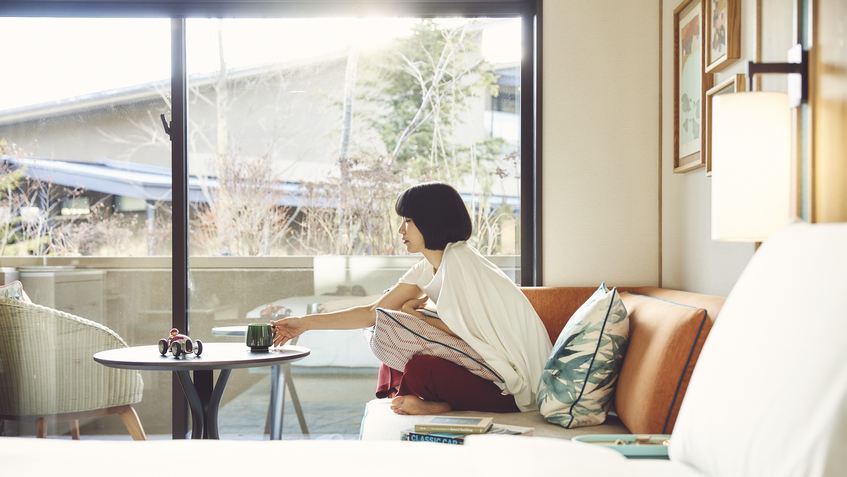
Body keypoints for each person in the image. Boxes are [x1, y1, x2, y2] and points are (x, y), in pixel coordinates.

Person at [271, 182, 551, 415]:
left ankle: (438, 405)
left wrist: (416, 317)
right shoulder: (426, 266)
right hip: (486, 373)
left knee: (420, 362)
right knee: (389, 329)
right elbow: (372, 312)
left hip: (514, 390)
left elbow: (468, 332)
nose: (401, 230)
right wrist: (304, 323)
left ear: (431, 220)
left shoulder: (461, 262)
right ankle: (418, 399)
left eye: (408, 221)